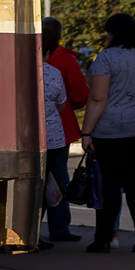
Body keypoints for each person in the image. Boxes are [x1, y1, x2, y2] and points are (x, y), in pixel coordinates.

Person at [81, 12, 135, 253]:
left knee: (109, 185)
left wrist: (87, 132)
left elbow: (98, 97)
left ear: (113, 33)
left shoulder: (105, 58)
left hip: (110, 130)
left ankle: (104, 239)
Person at [44, 17, 89, 241]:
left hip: (26, 130)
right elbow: (81, 94)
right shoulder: (65, 61)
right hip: (59, 128)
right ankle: (59, 228)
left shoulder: (22, 57)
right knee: (59, 177)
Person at [39, 32, 68, 250]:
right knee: (45, 185)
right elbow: (62, 104)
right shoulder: (53, 73)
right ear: (47, 53)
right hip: (51, 138)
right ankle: (35, 233)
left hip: (20, 137)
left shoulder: (13, 69)